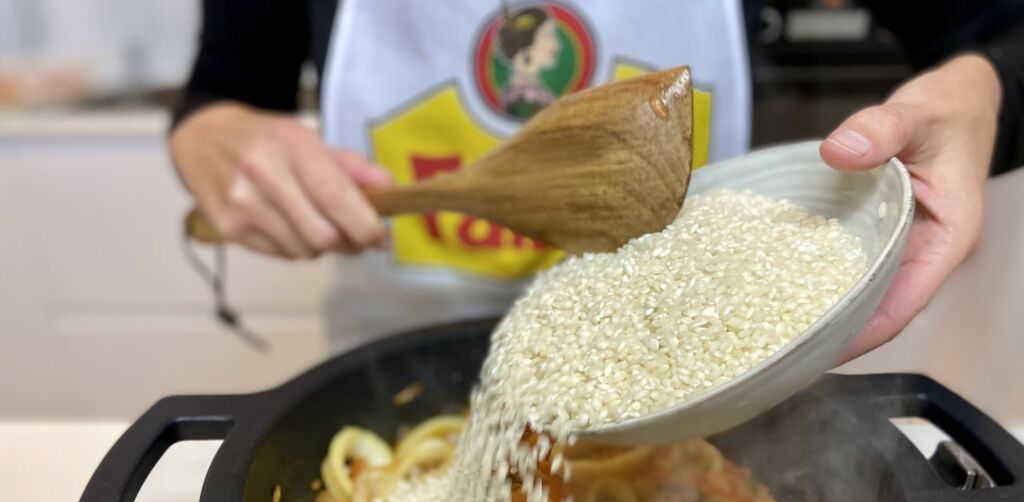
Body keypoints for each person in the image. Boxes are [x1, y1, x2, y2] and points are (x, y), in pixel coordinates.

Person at [170, 0, 1024, 359]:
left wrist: (981, 92)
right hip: (400, 373)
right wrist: (211, 134)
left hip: (693, 376)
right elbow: (223, 91)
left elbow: (1001, 28)